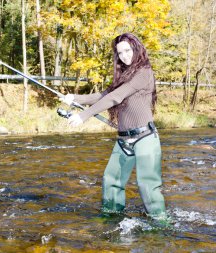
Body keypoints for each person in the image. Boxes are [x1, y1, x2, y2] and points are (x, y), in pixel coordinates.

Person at [60, 33, 166, 219]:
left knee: (147, 185)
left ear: (136, 48)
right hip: (124, 140)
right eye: (120, 53)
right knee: (111, 182)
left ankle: (160, 225)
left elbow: (116, 97)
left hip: (145, 138)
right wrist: (74, 99)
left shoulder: (144, 72)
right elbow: (104, 95)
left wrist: (84, 116)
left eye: (127, 50)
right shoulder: (124, 75)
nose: (125, 56)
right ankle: (112, 218)